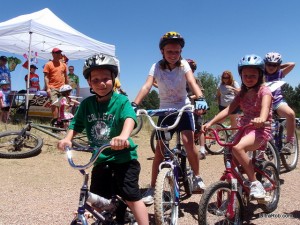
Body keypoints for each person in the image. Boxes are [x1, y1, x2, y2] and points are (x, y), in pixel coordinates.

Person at [57, 54, 149, 225]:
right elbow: (76, 124)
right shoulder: (87, 104)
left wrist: (123, 136)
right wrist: (67, 138)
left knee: (131, 196)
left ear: (113, 79)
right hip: (100, 159)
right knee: (98, 198)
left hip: (124, 159)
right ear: (90, 83)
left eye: (106, 78)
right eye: (96, 79)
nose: (101, 83)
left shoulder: (121, 101)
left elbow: (129, 118)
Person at [133, 31, 208, 205]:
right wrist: (135, 103)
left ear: (181, 52)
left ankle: (197, 177)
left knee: (188, 141)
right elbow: (147, 85)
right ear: (162, 52)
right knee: (160, 150)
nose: (173, 55)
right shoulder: (156, 67)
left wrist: (201, 99)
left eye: (177, 52)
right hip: (165, 111)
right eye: (169, 52)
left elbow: (191, 82)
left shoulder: (184, 66)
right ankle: (152, 188)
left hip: (183, 107)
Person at [203, 54, 272, 199]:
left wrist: (262, 118)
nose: (249, 78)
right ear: (240, 76)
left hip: (260, 129)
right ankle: (235, 185)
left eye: (253, 75)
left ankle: (255, 183)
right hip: (244, 128)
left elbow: (265, 108)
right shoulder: (241, 93)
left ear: (260, 75)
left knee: (237, 148)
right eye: (245, 75)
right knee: (228, 149)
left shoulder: (264, 91)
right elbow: (228, 110)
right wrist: (210, 122)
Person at [264, 52, 296, 153]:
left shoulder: (279, 73)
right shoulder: (260, 74)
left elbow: (292, 64)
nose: (271, 67)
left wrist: (279, 67)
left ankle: (290, 142)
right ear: (265, 64)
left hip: (278, 102)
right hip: (264, 103)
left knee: (290, 114)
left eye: (274, 65)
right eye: (269, 64)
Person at [185, 59, 207, 160]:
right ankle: (190, 149)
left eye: (192, 68)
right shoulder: (181, 80)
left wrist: (191, 97)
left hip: (197, 103)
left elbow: (201, 92)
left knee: (199, 127)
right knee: (188, 128)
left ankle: (202, 150)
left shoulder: (195, 79)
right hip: (186, 106)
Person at [43, 48, 68, 124]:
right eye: (56, 53)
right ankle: (56, 123)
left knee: (63, 105)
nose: (58, 54)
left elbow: (66, 77)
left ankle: (62, 124)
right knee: (54, 105)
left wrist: (68, 88)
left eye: (59, 53)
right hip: (53, 88)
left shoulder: (64, 65)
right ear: (53, 54)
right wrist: (47, 88)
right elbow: (46, 77)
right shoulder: (48, 64)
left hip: (63, 88)